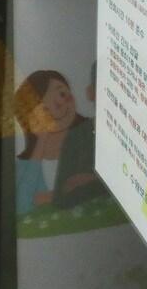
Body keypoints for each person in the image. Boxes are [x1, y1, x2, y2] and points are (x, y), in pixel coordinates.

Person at [13, 70, 103, 214]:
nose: (59, 105)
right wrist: (40, 141)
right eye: (44, 107)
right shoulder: (25, 165)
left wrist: (52, 197)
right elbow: (22, 205)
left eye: (62, 94)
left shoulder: (90, 141)